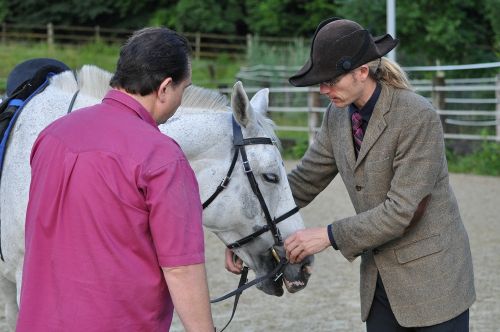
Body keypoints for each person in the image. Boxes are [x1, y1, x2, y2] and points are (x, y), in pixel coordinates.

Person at [226, 17, 475, 331]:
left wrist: (327, 236)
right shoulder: (337, 115)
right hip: (379, 282)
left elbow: (402, 211)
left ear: (362, 71)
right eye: (321, 80)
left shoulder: (417, 116)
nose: (323, 89)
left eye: (331, 79)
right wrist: (244, 235)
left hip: (434, 281)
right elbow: (303, 182)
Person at [17, 27, 214, 331]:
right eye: (182, 89)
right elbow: (181, 267)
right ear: (164, 88)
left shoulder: (52, 135)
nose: (179, 99)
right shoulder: (162, 157)